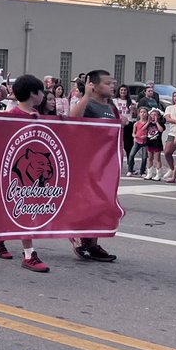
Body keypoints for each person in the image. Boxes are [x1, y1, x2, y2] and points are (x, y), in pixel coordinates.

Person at [0, 74, 51, 272]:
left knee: (23, 211)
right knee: (21, 211)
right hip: (15, 174)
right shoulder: (11, 116)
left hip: (34, 177)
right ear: (33, 94)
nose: (44, 96)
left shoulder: (39, 115)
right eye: (41, 92)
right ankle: (28, 254)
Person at [67, 69, 119, 262]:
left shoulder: (110, 106)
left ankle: (93, 244)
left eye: (113, 82)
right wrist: (86, 96)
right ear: (93, 85)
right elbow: (73, 120)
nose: (112, 86)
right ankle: (83, 242)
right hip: (87, 164)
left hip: (105, 165)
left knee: (102, 206)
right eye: (107, 83)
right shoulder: (88, 104)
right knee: (89, 205)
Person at [114, 84, 134, 165]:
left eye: (125, 90)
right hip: (118, 124)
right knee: (116, 145)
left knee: (128, 146)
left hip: (128, 124)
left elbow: (136, 114)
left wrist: (134, 109)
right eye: (121, 90)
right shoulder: (114, 101)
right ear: (119, 91)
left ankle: (130, 165)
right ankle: (116, 164)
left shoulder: (131, 102)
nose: (123, 92)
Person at [143, 109, 165, 181]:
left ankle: (158, 174)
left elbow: (161, 130)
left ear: (158, 116)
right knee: (150, 158)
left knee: (157, 159)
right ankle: (149, 173)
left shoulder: (160, 123)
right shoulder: (149, 123)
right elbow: (143, 129)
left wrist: (156, 122)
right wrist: (148, 122)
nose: (153, 116)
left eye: (155, 115)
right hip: (150, 142)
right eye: (151, 115)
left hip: (157, 143)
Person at [128, 107, 150, 178]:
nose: (142, 114)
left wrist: (146, 136)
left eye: (144, 112)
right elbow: (133, 133)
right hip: (137, 141)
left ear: (147, 114)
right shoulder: (136, 123)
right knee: (131, 155)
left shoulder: (148, 123)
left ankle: (142, 171)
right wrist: (135, 136)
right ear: (139, 114)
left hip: (145, 142)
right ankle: (130, 170)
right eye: (141, 112)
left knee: (144, 157)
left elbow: (151, 132)